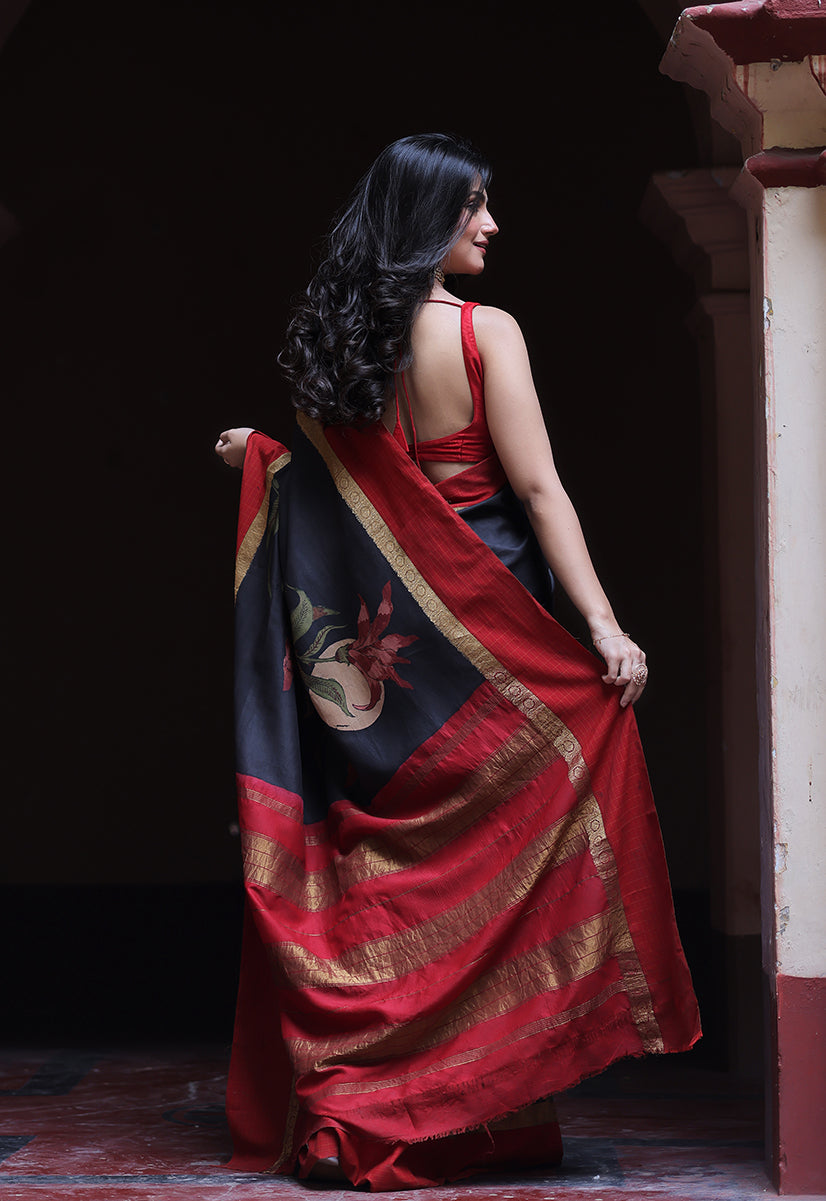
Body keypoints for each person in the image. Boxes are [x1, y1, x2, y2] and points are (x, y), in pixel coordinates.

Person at [216, 133, 700, 1191]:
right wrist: (605, 627)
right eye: (473, 206)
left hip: (395, 668)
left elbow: (346, 503)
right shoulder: (484, 333)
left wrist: (265, 458)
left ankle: (369, 1098)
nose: (491, 224)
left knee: (400, 862)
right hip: (491, 637)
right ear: (426, 219)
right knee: (507, 850)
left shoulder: (344, 344)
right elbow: (537, 490)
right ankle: (464, 1106)